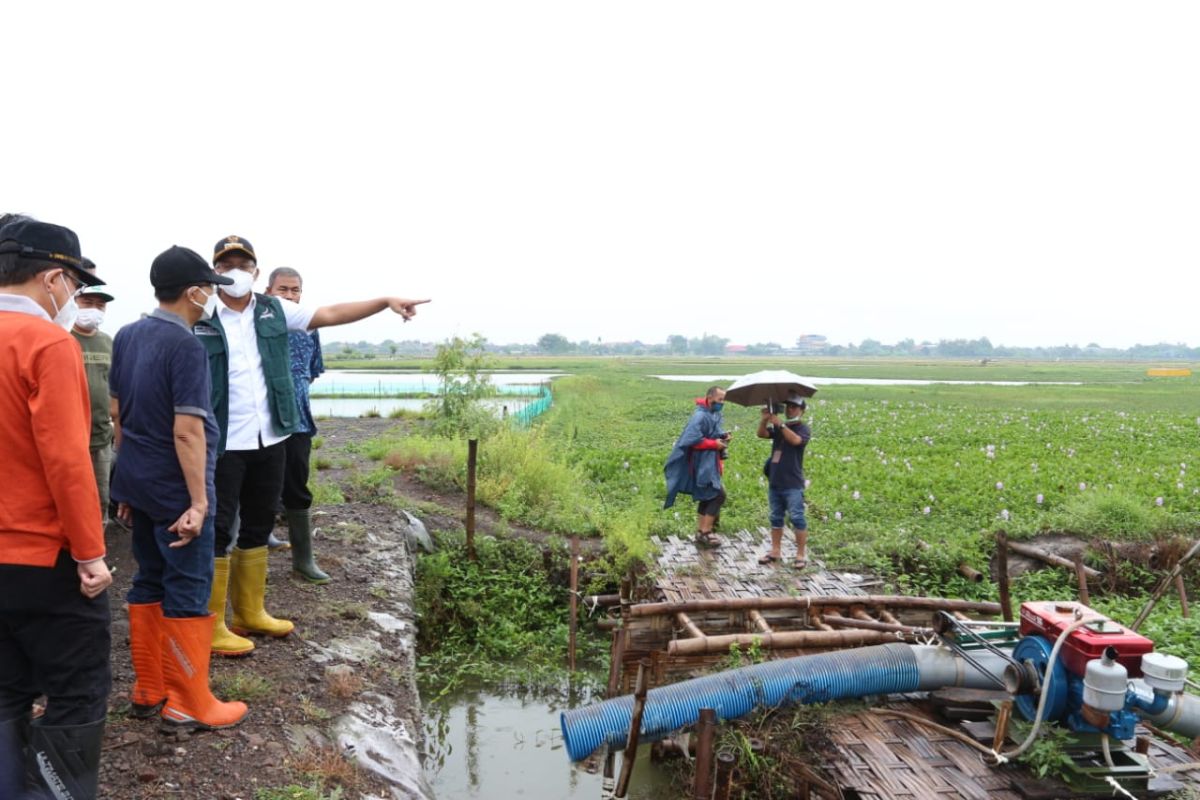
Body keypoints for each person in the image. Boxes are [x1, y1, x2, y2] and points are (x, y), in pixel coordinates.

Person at [201, 235, 429, 656]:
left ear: (254, 271)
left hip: (271, 434)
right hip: (222, 441)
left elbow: (329, 312)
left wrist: (384, 301)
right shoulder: (201, 311)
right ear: (214, 270)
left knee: (259, 521)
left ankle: (250, 611)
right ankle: (212, 624)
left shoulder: (273, 310)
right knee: (217, 529)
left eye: (242, 263)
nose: (235, 270)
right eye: (226, 263)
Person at [109, 246, 249, 733]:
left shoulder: (127, 335)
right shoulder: (186, 345)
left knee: (149, 578)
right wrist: (199, 502)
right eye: (209, 287)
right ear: (193, 291)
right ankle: (189, 703)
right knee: (188, 587)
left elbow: (118, 415)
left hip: (139, 483)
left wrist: (125, 480)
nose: (212, 295)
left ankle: (150, 690)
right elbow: (187, 429)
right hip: (176, 490)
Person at [0, 217, 113, 799]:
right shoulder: (48, 343)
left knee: (6, 691)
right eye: (72, 282)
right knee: (76, 691)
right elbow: (67, 461)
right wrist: (92, 556)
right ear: (51, 279)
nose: (73, 297)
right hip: (43, 556)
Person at [266, 266, 330, 583]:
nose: (290, 296)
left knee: (296, 483)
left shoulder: (310, 327)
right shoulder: (259, 325)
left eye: (295, 290)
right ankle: (257, 540)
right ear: (269, 292)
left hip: (299, 420)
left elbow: (312, 370)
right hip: (263, 416)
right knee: (257, 484)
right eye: (283, 290)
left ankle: (303, 560)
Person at [72, 281, 116, 526]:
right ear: (74, 302)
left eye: (100, 305)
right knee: (70, 499)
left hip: (100, 437)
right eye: (87, 303)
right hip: (70, 439)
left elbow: (115, 386)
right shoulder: (62, 337)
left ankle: (96, 555)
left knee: (100, 499)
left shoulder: (108, 342)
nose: (94, 309)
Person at [663, 386, 730, 548]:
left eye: (723, 400)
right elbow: (691, 439)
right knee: (718, 494)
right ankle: (706, 532)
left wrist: (722, 436)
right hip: (701, 464)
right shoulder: (699, 416)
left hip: (709, 462)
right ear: (709, 397)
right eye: (720, 399)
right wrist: (714, 444)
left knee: (707, 495)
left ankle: (701, 531)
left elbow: (711, 433)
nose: (722, 403)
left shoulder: (712, 414)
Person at [756, 393, 813, 569]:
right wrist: (765, 420)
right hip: (776, 482)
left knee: (797, 518)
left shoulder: (802, 429)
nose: (790, 409)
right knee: (775, 518)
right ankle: (775, 551)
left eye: (794, 407)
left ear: (802, 411)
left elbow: (795, 441)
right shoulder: (782, 427)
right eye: (788, 406)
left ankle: (801, 554)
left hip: (793, 483)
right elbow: (761, 434)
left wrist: (779, 423)